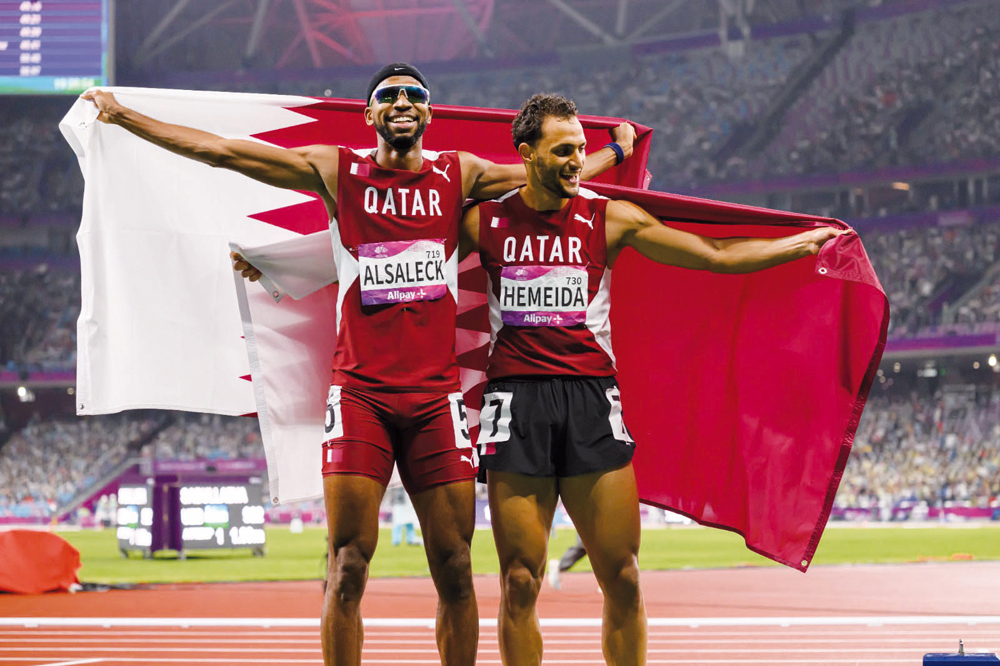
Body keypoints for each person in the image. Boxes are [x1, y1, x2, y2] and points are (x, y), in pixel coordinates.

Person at [81, 65, 633, 666]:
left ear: (429, 112)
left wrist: (609, 151)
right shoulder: (335, 168)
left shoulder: (459, 174)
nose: (402, 101)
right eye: (388, 96)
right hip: (360, 398)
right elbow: (222, 152)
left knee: (454, 568)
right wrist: (124, 115)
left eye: (414, 95)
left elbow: (546, 174)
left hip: (435, 402)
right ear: (369, 115)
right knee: (346, 565)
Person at [458, 93, 846, 666]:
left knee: (624, 577)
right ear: (526, 154)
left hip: (592, 400)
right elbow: (388, 239)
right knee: (518, 580)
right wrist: (280, 260)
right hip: (515, 404)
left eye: (581, 151)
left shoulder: (608, 217)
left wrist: (801, 243)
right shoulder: (482, 220)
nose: (574, 161)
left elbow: (713, 254)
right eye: (561, 150)